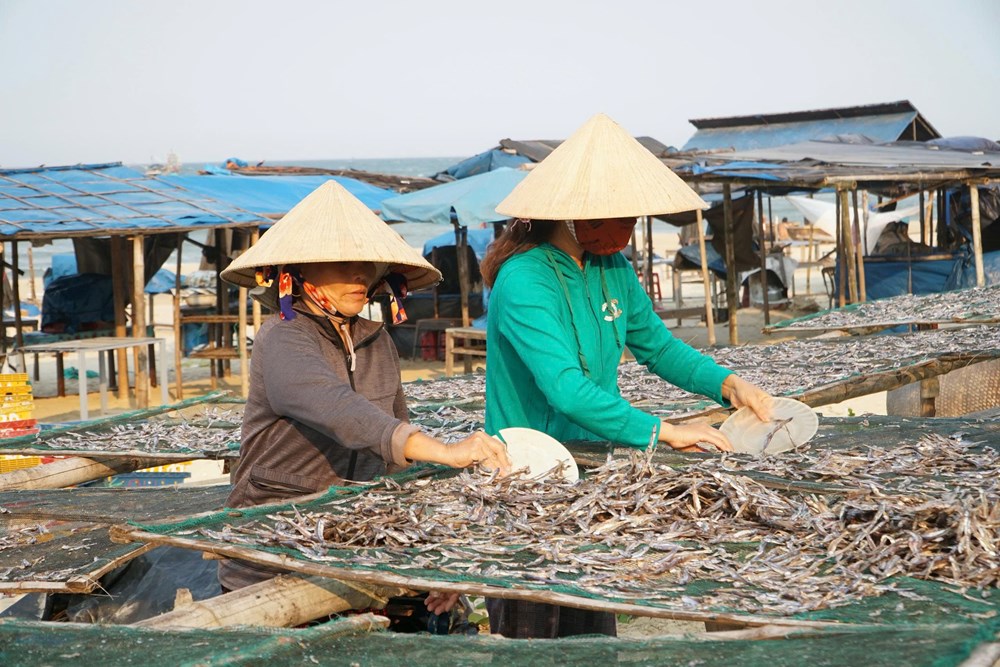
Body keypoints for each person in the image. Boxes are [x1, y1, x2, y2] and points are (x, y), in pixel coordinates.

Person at [480, 113, 773, 638]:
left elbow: (657, 348)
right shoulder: (525, 279)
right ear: (576, 218)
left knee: (594, 625)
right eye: (622, 218)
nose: (632, 230)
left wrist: (729, 384)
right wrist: (663, 431)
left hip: (596, 472)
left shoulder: (612, 267)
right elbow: (565, 389)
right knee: (534, 632)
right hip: (529, 478)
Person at [217, 181, 510, 619]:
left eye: (365, 264)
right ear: (300, 272)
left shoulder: (376, 342)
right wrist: (447, 451)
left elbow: (394, 461)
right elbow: (341, 411)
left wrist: (430, 566)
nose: (359, 274)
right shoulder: (282, 337)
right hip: (274, 544)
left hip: (355, 542)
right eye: (341, 263)